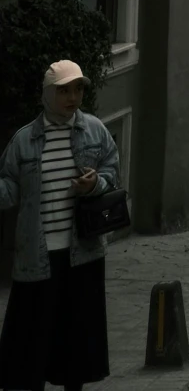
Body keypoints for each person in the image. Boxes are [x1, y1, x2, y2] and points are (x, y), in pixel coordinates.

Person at [0, 60, 119, 391]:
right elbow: (8, 187)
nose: (72, 97)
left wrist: (95, 184)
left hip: (82, 253)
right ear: (47, 95)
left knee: (77, 335)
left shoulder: (94, 131)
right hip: (37, 256)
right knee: (32, 338)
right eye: (64, 90)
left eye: (78, 88)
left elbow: (112, 173)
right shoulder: (25, 141)